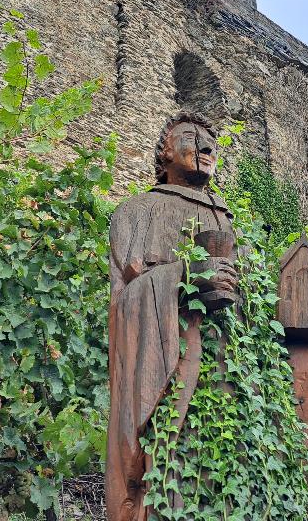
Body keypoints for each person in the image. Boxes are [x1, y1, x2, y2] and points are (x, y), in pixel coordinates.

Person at [105, 111, 238, 521]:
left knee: (221, 467)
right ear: (163, 153)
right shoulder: (138, 211)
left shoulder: (229, 221)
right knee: (162, 469)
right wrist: (183, 276)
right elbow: (123, 298)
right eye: (189, 137)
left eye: (210, 142)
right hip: (166, 356)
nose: (205, 148)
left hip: (225, 370)